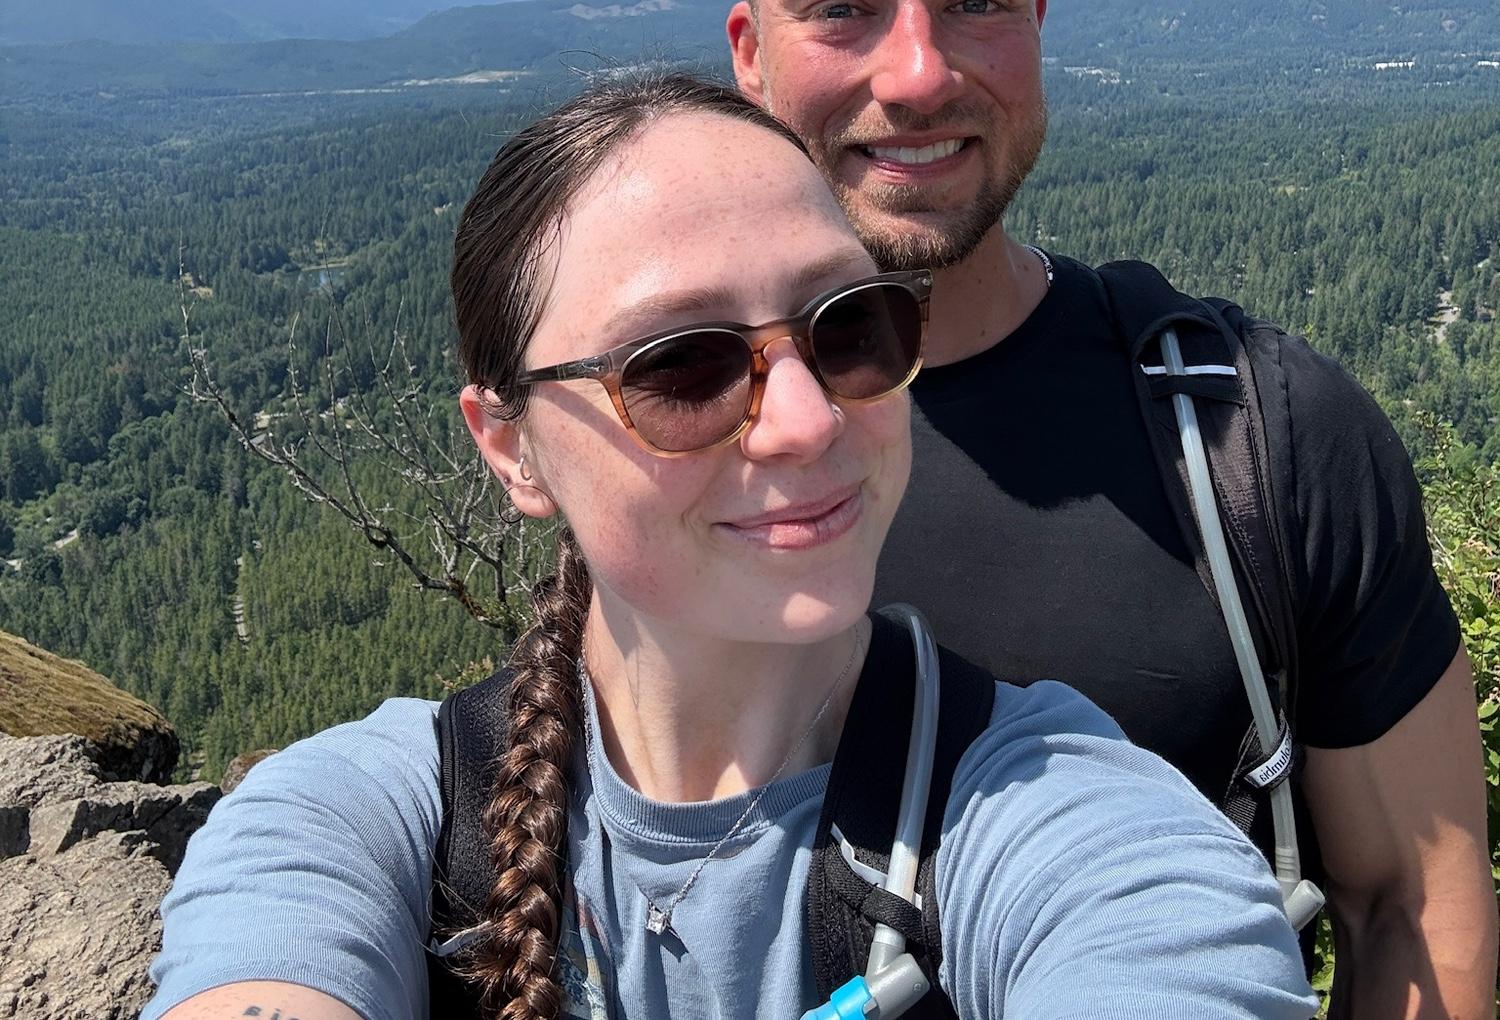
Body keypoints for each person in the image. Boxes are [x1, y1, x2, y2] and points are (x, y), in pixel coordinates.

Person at [143, 71, 1317, 1020]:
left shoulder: (1063, 818)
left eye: (853, 327)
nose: (807, 419)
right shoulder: (358, 823)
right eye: (683, 367)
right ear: (510, 446)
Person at [725, 0, 1497, 1015]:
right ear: (751, 54)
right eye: (845, 8)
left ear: (1036, 26)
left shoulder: (1260, 435)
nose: (918, 73)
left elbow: (1411, 900)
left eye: (974, 2)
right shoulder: (662, 435)